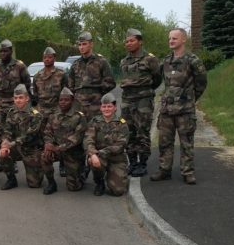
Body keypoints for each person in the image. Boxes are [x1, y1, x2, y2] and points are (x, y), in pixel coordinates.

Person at [150, 27, 208, 185]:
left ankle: (187, 172)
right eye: (169, 38)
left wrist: (190, 99)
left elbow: (201, 82)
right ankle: (164, 170)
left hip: (185, 110)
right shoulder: (166, 61)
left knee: (186, 142)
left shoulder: (193, 60)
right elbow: (158, 80)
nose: (171, 41)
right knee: (164, 142)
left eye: (174, 38)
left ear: (183, 39)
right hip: (167, 110)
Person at [119, 28, 162, 177]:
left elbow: (157, 79)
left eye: (132, 41)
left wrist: (146, 91)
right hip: (127, 101)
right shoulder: (124, 61)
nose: (128, 43)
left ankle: (142, 163)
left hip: (143, 101)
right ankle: (132, 162)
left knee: (142, 132)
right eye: (127, 41)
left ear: (140, 42)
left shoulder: (150, 59)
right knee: (128, 131)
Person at [0, 84, 44, 190]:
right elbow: (7, 130)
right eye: (15, 98)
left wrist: (11, 144)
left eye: (20, 98)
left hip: (31, 149)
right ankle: (11, 179)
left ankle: (37, 169)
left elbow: (30, 135)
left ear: (27, 98)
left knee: (34, 184)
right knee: (3, 153)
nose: (18, 100)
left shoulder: (36, 115)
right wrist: (5, 142)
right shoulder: (11, 112)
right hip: (16, 147)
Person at [41, 88, 87, 194]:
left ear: (72, 100)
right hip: (57, 149)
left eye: (66, 100)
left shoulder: (79, 117)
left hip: (73, 153)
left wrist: (57, 148)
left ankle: (82, 172)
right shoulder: (53, 115)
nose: (63, 102)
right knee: (45, 156)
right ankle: (51, 183)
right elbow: (47, 132)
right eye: (61, 100)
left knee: (73, 187)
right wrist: (48, 144)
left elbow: (76, 138)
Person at [84, 92, 130, 196]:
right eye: (104, 106)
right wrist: (93, 154)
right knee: (93, 160)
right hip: (100, 158)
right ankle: (99, 182)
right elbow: (88, 139)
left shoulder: (121, 123)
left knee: (118, 191)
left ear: (115, 108)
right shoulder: (95, 122)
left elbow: (120, 145)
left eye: (109, 106)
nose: (106, 109)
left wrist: (100, 152)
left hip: (116, 159)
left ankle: (116, 175)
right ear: (100, 108)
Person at [67, 31, 116, 121]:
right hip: (79, 106)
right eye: (79, 45)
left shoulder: (101, 61)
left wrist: (98, 93)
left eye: (84, 44)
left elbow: (110, 82)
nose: (81, 47)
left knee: (95, 128)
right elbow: (70, 85)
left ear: (91, 44)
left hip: (95, 105)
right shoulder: (75, 64)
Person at [0, 39, 31, 119]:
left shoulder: (19, 66)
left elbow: (27, 83)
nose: (2, 53)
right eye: (1, 51)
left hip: (15, 101)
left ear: (11, 51)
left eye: (5, 51)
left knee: (15, 123)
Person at [32, 47, 68, 116]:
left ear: (54, 58)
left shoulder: (61, 75)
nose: (47, 59)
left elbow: (66, 93)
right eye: (45, 57)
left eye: (50, 57)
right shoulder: (37, 76)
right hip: (41, 111)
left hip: (57, 111)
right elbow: (35, 95)